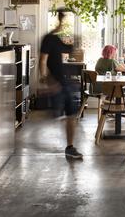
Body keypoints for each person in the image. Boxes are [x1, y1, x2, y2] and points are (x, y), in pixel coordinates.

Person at [39, 11, 83, 160]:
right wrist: (45, 79)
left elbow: (69, 50)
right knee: (65, 115)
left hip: (66, 81)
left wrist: (75, 41)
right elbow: (42, 60)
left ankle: (70, 147)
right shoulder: (48, 39)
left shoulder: (56, 38)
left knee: (71, 115)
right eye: (62, 19)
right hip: (58, 82)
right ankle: (53, 108)